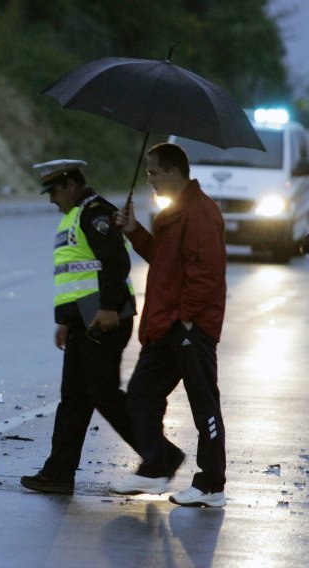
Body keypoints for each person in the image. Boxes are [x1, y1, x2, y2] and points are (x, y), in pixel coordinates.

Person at [111, 142, 227, 507]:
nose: (149, 179)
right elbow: (163, 261)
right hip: (166, 325)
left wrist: (187, 318)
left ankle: (211, 486)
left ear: (175, 172)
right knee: (141, 395)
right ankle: (157, 465)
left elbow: (206, 275)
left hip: (190, 327)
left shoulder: (201, 212)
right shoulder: (174, 212)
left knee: (204, 406)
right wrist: (134, 230)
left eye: (154, 172)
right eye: (147, 172)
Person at [21, 159, 138, 495]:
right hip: (83, 321)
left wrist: (109, 307)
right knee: (74, 399)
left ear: (70, 184)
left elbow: (115, 261)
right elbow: (75, 274)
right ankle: (58, 473)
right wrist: (66, 322)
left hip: (104, 319)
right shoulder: (75, 215)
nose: (51, 199)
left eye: (54, 191)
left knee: (104, 395)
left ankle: (158, 455)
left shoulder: (95, 212)